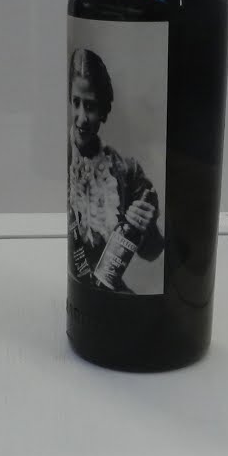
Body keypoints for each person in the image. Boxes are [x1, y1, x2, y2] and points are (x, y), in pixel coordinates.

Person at [67, 47, 163, 290]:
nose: (81, 117)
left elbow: (152, 252)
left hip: (107, 291)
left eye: (90, 107)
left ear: (103, 111)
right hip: (72, 285)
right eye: (76, 103)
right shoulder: (60, 156)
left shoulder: (125, 171)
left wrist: (146, 226)